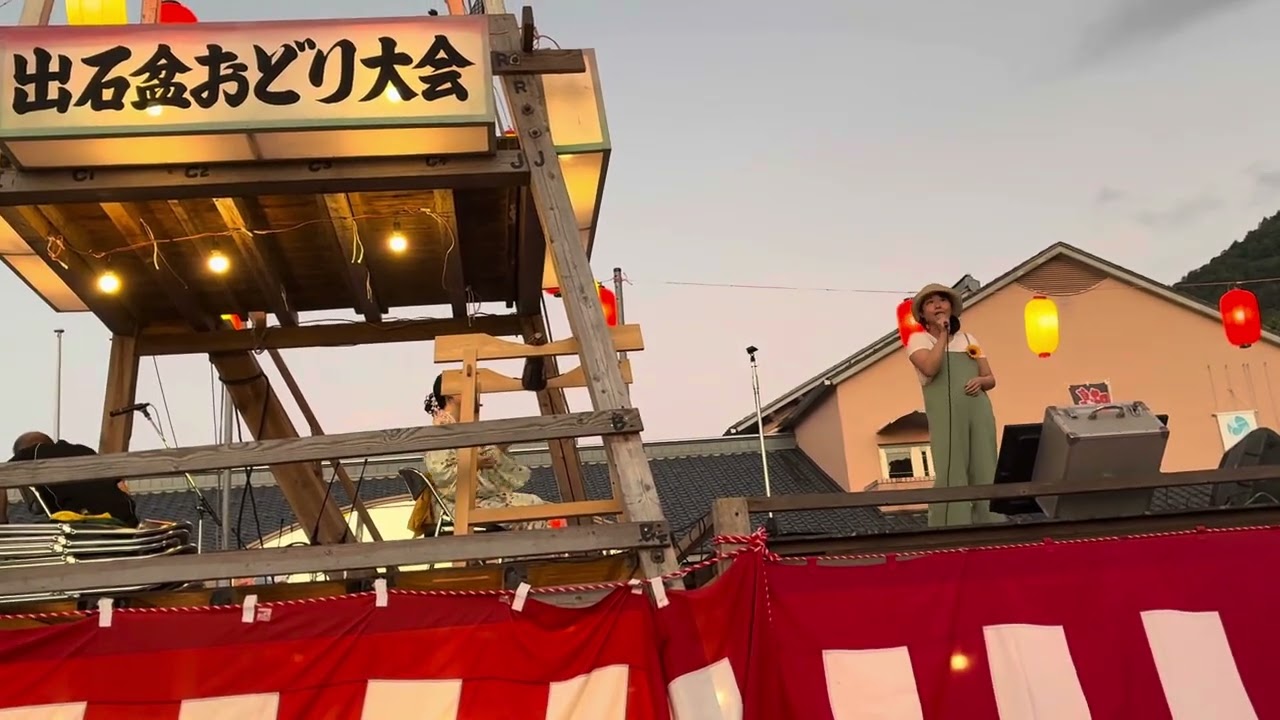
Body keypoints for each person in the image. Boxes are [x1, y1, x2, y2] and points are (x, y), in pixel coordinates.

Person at [905, 284, 1001, 527]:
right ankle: (950, 526)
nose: (938, 305)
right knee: (951, 467)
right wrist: (943, 335)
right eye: (930, 302)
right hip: (945, 414)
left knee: (986, 464)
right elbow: (930, 368)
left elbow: (990, 378)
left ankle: (992, 522)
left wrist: (981, 381)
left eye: (942, 300)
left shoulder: (969, 339)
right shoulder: (918, 340)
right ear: (922, 314)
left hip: (978, 409)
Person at [409, 374, 553, 535]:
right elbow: (443, 475)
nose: (472, 389)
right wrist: (474, 462)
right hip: (458, 504)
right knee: (534, 512)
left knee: (539, 506)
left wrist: (496, 449)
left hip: (471, 499)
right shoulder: (441, 429)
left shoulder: (457, 426)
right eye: (464, 385)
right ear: (449, 395)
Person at [6, 432, 140, 527]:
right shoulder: (85, 450)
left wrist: (2, 523)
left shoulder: (31, 452)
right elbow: (121, 486)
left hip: (84, 523)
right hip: (126, 520)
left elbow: (3, 475)